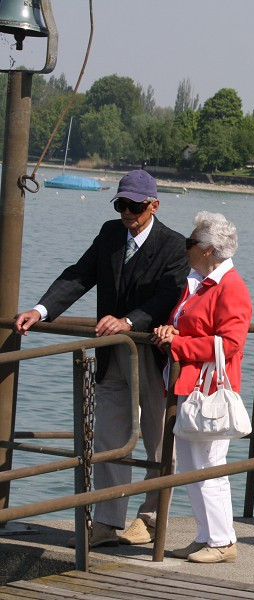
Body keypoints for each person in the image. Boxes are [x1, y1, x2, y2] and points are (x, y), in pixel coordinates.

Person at [14, 170, 189, 547]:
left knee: (161, 442)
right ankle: (108, 522)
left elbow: (167, 296)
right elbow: (79, 276)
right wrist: (41, 310)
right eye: (121, 204)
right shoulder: (110, 234)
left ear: (153, 205)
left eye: (135, 206)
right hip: (112, 356)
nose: (127, 212)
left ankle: (151, 518)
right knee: (111, 439)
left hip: (155, 356)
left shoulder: (174, 245)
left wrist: (129, 321)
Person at [152, 211, 252, 564]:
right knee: (193, 467)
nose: (186, 247)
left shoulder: (230, 286)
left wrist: (178, 344)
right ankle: (207, 536)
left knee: (209, 464)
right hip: (190, 385)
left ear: (208, 249)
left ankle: (223, 541)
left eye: (190, 242)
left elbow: (230, 343)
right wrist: (171, 330)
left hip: (210, 386)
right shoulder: (199, 280)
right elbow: (187, 323)